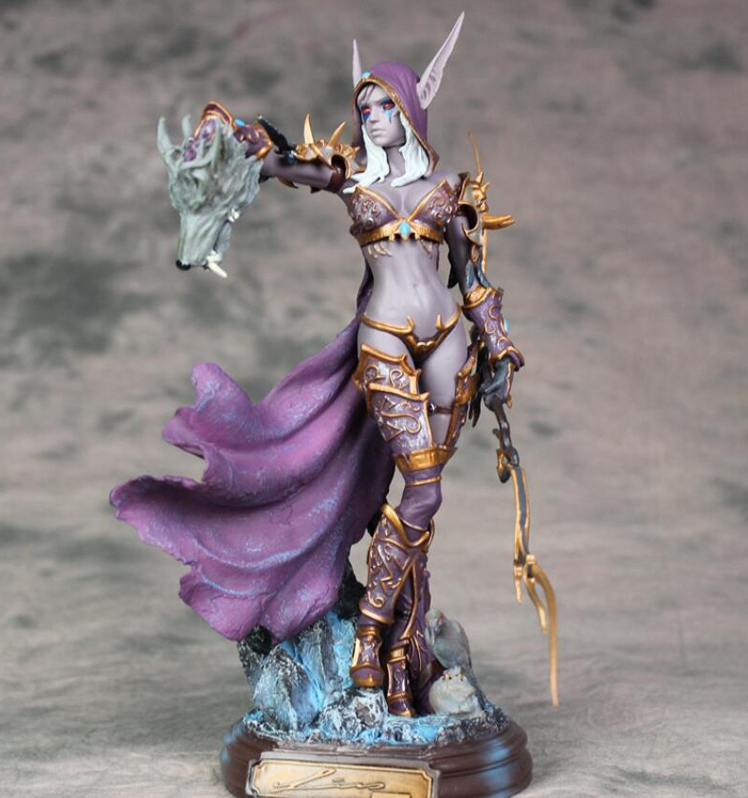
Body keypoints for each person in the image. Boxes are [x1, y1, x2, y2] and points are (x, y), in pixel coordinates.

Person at [111, 13, 523, 718]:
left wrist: (499, 346)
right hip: (386, 340)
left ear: (411, 110)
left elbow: (472, 280)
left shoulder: (450, 189)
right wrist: (237, 136)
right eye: (364, 108)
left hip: (449, 347)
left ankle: (403, 647)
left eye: (384, 105)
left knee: (420, 503)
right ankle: (371, 637)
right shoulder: (352, 175)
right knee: (423, 489)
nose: (372, 117)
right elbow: (279, 162)